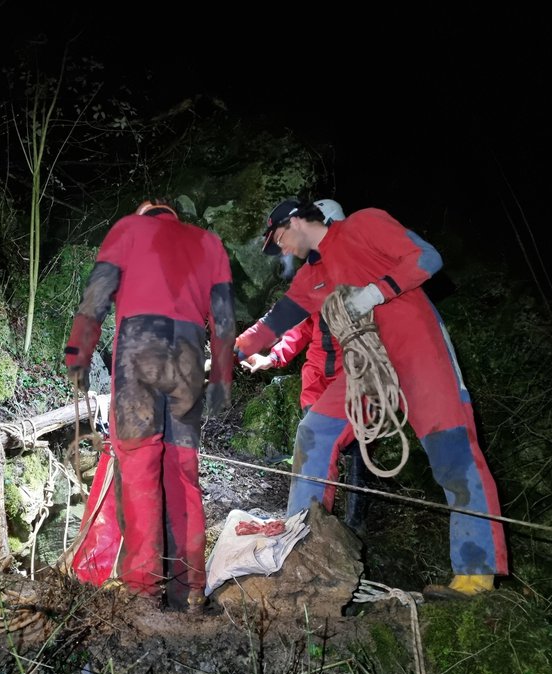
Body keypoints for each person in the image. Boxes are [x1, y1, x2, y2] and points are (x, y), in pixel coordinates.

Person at [235, 198, 508, 598]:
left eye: (280, 240)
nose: (284, 252)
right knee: (314, 433)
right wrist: (227, 353)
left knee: (453, 454)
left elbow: (427, 258)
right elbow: (275, 322)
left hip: (419, 353)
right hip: (364, 370)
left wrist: (377, 294)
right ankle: (300, 548)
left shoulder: (364, 225)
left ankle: (476, 574)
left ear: (295, 221)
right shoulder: (312, 275)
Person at [64, 199, 236, 612]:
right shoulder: (209, 243)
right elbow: (225, 320)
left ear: (145, 214)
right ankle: (190, 592)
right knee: (182, 471)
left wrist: (78, 354)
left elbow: (97, 296)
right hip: (190, 357)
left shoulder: (129, 229)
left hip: (140, 349)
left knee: (139, 466)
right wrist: (222, 379)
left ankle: (143, 594)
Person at [241, 199, 370, 532]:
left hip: (354, 377)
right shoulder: (314, 279)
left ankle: (348, 522)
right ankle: (313, 521)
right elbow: (300, 328)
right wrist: (272, 357)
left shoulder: (361, 271)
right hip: (317, 378)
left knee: (349, 447)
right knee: (316, 444)